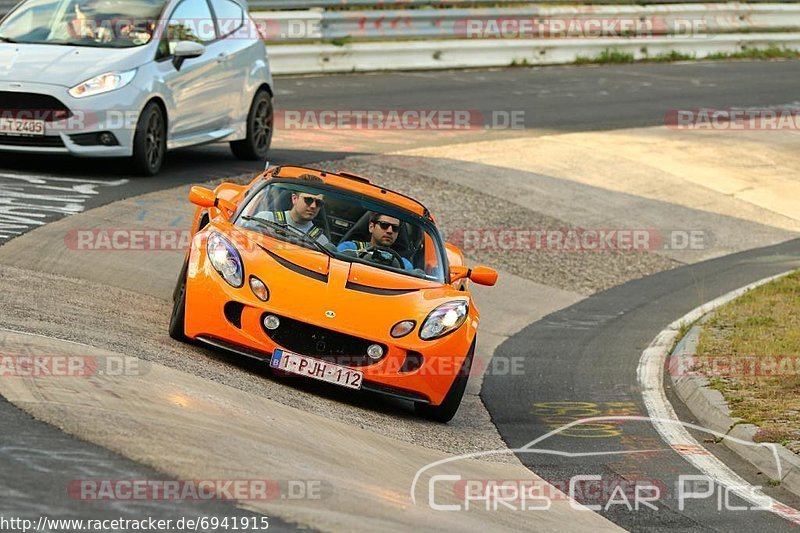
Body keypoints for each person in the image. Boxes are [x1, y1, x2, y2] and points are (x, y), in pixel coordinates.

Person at [255, 174, 330, 246]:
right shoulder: (264, 219)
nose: (313, 206)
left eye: (319, 202)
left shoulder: (321, 242)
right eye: (308, 200)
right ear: (294, 199)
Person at [338, 212, 413, 270]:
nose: (390, 231)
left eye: (395, 228)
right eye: (384, 225)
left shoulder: (403, 264)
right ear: (371, 227)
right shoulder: (349, 248)